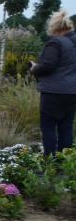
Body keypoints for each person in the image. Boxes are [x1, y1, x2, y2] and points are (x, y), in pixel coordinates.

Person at [30, 10, 76, 156]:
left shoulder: (56, 42)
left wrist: (34, 68)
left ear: (55, 28)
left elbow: (48, 66)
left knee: (48, 127)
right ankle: (65, 161)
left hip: (54, 92)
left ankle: (50, 160)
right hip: (72, 92)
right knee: (66, 128)